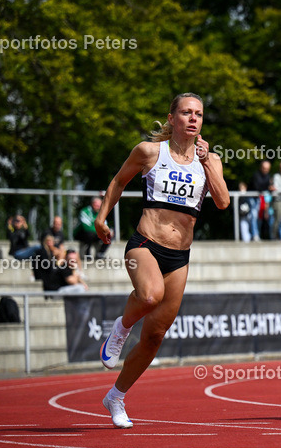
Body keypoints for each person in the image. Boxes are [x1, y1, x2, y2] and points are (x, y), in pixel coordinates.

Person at [93, 92, 228, 428]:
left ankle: (116, 397)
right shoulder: (149, 152)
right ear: (172, 119)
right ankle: (121, 329)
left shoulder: (209, 159)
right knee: (149, 295)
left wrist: (209, 162)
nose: (193, 118)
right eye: (186, 112)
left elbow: (223, 202)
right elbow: (118, 182)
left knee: (155, 335)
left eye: (198, 113)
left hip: (179, 256)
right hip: (145, 243)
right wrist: (101, 218)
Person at [251, 160, 274, 239]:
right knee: (254, 216)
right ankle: (255, 234)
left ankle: (258, 234)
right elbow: (258, 187)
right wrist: (268, 188)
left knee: (260, 217)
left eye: (267, 169)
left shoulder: (268, 176)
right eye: (264, 168)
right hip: (253, 198)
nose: (266, 170)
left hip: (261, 199)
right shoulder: (256, 175)